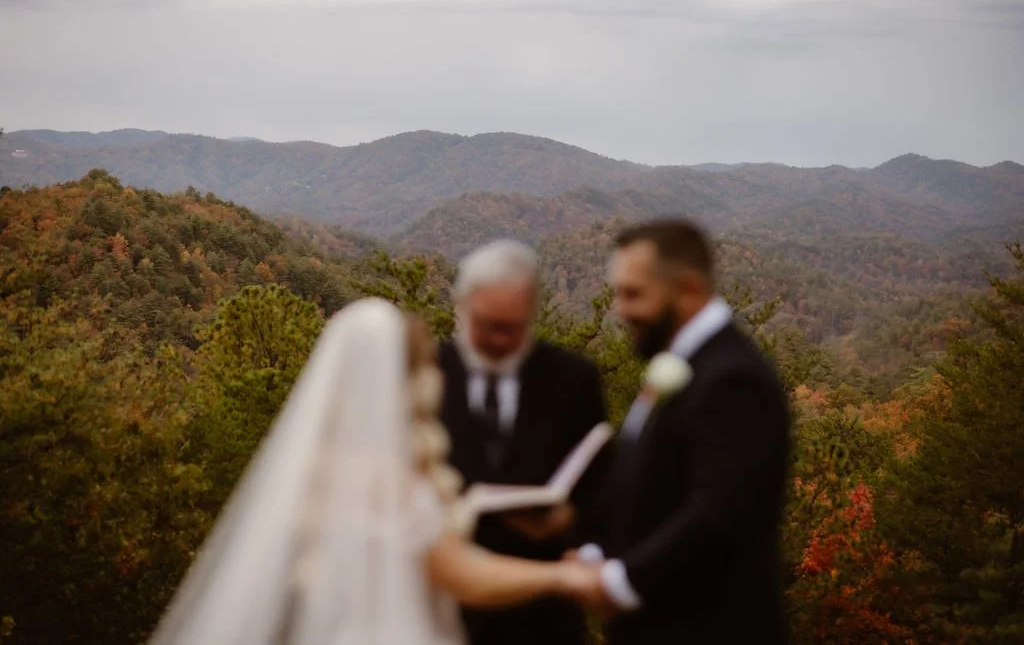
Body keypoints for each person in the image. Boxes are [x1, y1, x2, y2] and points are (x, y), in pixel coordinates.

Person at [148, 298, 595, 645]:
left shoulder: (314, 470)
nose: (439, 378)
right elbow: (459, 573)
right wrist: (559, 576)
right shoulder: (390, 479)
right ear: (403, 379)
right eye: (428, 366)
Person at [569, 220, 791, 644]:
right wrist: (590, 550)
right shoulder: (685, 364)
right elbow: (645, 485)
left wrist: (618, 582)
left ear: (687, 289)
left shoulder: (734, 379)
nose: (619, 310)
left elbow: (719, 512)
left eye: (634, 294)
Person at [438, 240, 609, 645]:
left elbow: (603, 489)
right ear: (461, 307)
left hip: (543, 619)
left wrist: (569, 521)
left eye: (513, 328)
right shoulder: (424, 373)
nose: (500, 339)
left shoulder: (574, 380)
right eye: (488, 325)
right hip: (444, 610)